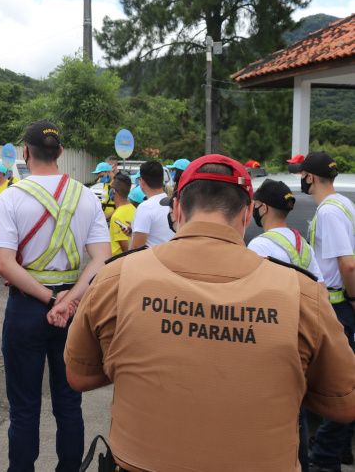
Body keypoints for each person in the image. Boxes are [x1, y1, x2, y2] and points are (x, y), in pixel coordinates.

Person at [64, 154, 355, 471]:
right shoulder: (303, 293)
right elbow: (343, 403)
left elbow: (79, 375)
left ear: (176, 211)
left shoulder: (116, 278)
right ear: (246, 216)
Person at [0, 120, 111, 472]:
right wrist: (69, 300)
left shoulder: (11, 196)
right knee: (69, 404)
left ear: (25, 153)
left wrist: (48, 299)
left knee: (24, 407)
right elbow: (102, 257)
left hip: (28, 308)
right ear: (60, 153)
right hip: (74, 311)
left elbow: (2, 262)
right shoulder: (86, 195)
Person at [245, 177, 325, 471]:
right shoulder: (300, 242)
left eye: (255, 204)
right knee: (297, 411)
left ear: (263, 208)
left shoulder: (260, 245)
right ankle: (300, 463)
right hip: (301, 337)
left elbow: (254, 299)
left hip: (272, 342)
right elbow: (321, 290)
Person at [298, 151, 355, 472]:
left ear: (311, 177)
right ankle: (339, 451)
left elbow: (347, 263)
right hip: (341, 306)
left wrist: (352, 298)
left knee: (334, 390)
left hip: (336, 307)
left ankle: (323, 460)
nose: (301, 179)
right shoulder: (343, 203)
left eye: (302, 174)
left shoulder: (330, 212)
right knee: (345, 384)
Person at [130, 160, 174, 249]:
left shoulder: (146, 207)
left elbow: (136, 248)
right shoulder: (173, 203)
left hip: (152, 260)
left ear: (142, 181)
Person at [108, 175, 135, 256]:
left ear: (113, 191)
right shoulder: (134, 209)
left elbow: (125, 250)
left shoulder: (116, 217)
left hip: (118, 261)